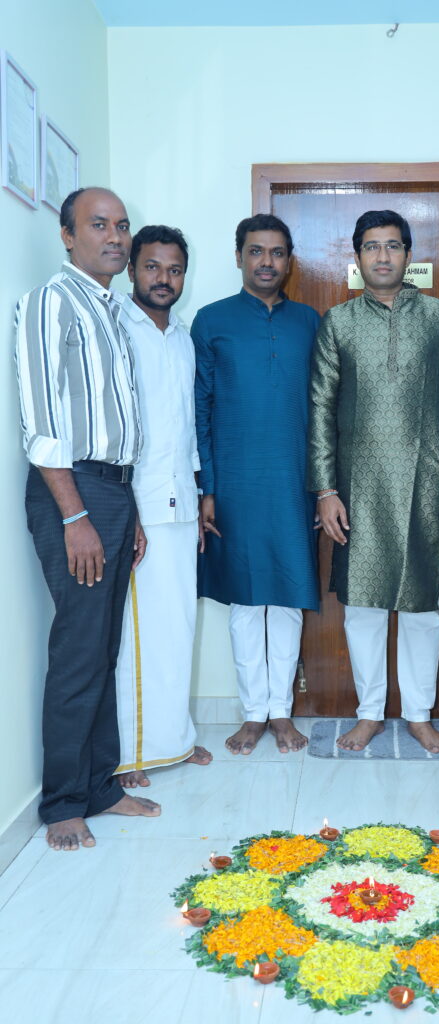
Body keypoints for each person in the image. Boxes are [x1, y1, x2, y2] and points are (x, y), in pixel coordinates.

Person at [15, 187, 161, 851]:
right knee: (79, 648)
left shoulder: (108, 309)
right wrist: (75, 514)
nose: (115, 237)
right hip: (71, 491)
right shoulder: (52, 302)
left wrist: (127, 512)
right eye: (98, 225)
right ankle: (63, 804)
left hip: (112, 491)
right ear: (67, 235)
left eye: (121, 226)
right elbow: (43, 423)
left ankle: (101, 786)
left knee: (103, 646)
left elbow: (113, 426)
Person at [309, 210, 439, 753]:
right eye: (371, 246)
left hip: (425, 485)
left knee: (421, 608)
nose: (382, 256)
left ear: (408, 254)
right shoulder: (338, 322)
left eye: (392, 246)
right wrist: (326, 490)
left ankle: (419, 715)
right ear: (357, 257)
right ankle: (368, 714)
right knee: (362, 607)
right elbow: (320, 408)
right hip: (356, 489)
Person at [192, 214, 320, 755]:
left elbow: (324, 407)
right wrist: (207, 486)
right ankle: (252, 714)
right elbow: (199, 408)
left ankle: (281, 712)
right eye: (256, 251)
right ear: (239, 256)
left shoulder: (310, 321)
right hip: (235, 480)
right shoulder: (211, 321)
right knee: (245, 600)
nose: (267, 262)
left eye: (277, 252)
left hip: (293, 479)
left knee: (287, 596)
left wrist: (324, 484)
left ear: (289, 260)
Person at [114, 225, 212, 788]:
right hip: (139, 506)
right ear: (132, 269)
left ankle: (175, 739)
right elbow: (117, 432)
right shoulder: (116, 329)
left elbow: (187, 428)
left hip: (180, 502)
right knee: (137, 633)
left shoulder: (181, 336)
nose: (163, 279)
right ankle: (131, 754)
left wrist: (196, 499)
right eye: (152, 267)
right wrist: (126, 511)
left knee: (178, 626)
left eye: (174, 270)